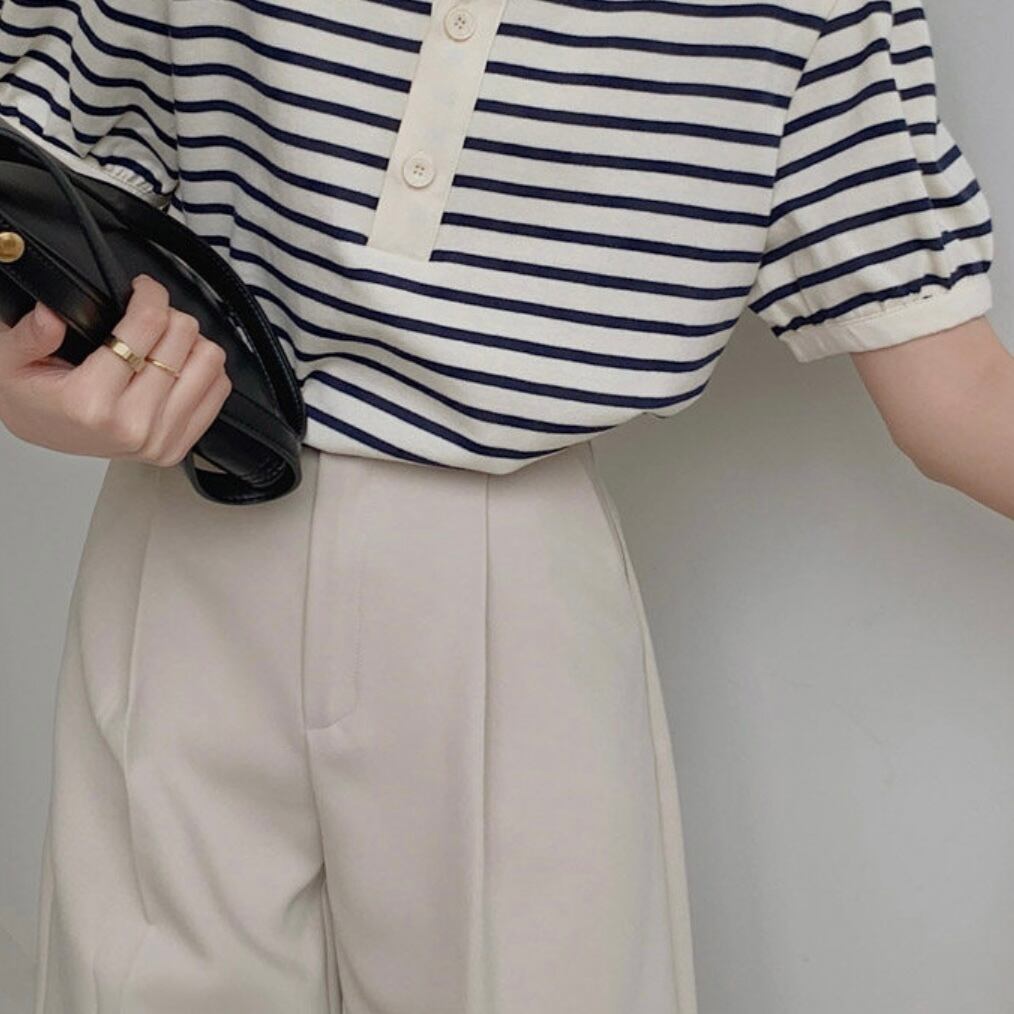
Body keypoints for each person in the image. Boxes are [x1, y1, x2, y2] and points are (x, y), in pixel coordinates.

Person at [0, 0, 1008, 1011]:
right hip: (200, 497)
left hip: (509, 576)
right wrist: (24, 371)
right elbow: (31, 165)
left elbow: (954, 392)